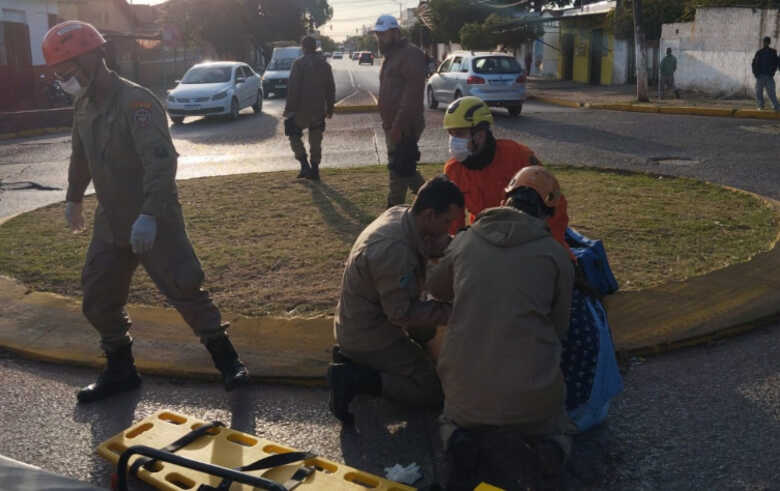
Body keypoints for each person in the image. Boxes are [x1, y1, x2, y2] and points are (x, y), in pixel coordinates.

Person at [41, 21, 250, 403]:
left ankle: (228, 361)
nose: (63, 79)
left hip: (155, 216)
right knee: (97, 296)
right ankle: (121, 370)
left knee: (185, 289)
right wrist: (73, 197)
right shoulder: (83, 103)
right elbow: (80, 155)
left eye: (66, 70)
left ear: (90, 58)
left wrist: (150, 214)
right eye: (58, 72)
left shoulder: (135, 101)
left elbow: (160, 161)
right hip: (111, 219)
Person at [427, 166, 575, 490]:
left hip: (467, 400)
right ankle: (550, 449)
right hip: (532, 403)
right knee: (560, 428)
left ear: (506, 197)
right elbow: (560, 326)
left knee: (449, 421)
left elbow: (436, 289)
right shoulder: (556, 256)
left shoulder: (465, 242)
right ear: (547, 210)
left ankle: (459, 441)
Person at [328, 176, 464, 425]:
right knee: (434, 390)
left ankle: (357, 363)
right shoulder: (393, 250)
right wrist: (456, 312)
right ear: (430, 215)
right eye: (447, 222)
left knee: (427, 331)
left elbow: (433, 245)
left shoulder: (405, 215)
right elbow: (402, 314)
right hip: (369, 334)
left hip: (365, 322)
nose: (449, 228)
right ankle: (357, 379)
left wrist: (466, 247)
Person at [442, 96, 571, 251]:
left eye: (459, 133)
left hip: (528, 239)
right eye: (451, 133)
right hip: (486, 240)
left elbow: (555, 206)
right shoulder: (454, 170)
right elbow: (454, 222)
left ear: (480, 134)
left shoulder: (518, 156)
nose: (453, 140)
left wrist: (548, 248)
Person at [373, 14, 428, 207]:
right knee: (404, 167)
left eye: (383, 34)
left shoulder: (410, 54)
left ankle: (393, 210)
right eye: (377, 35)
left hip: (405, 124)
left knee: (398, 170)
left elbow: (412, 95)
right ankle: (432, 201)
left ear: (395, 33)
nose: (380, 38)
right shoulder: (391, 55)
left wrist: (398, 125)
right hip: (393, 124)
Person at [284, 35, 335, 180]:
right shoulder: (325, 65)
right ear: (315, 47)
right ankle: (315, 169)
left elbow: (293, 88)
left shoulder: (299, 64)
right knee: (316, 139)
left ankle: (304, 165)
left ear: (303, 47)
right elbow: (331, 88)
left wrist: (289, 110)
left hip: (301, 109)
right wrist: (330, 108)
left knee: (293, 135)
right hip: (318, 109)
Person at [752, 36, 779, 111]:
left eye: (766, 42)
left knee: (771, 93)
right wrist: (756, 74)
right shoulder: (759, 52)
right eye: (764, 41)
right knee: (758, 92)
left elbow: (776, 62)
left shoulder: (773, 52)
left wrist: (772, 72)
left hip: (769, 76)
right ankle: (760, 106)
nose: (765, 43)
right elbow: (754, 63)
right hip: (760, 76)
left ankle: (776, 107)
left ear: (769, 43)